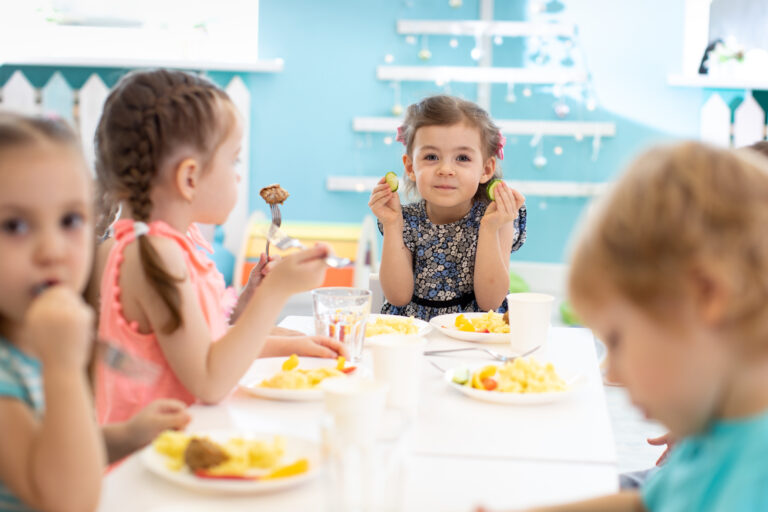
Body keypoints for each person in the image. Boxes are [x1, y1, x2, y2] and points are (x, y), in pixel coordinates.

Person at [482, 141, 768, 511]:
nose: (612, 371)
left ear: (707, 296)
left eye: (618, 339)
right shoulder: (718, 428)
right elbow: (644, 505)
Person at [92, 69, 336, 425]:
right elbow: (210, 381)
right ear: (189, 178)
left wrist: (291, 341)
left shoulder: (167, 242)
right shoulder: (153, 255)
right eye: (233, 159)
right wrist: (277, 292)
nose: (237, 174)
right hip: (150, 465)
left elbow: (205, 345)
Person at [0, 112, 191, 511]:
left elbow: (54, 449)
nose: (51, 250)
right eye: (15, 226)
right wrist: (64, 368)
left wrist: (127, 436)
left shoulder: (37, 341)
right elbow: (67, 499)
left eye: (69, 220)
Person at [368, 95, 527, 321]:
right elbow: (397, 298)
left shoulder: (498, 217)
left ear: (486, 168)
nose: (445, 169)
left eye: (462, 157)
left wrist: (489, 229)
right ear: (411, 167)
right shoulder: (405, 220)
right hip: (415, 332)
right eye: (431, 156)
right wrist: (392, 224)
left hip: (475, 332)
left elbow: (490, 302)